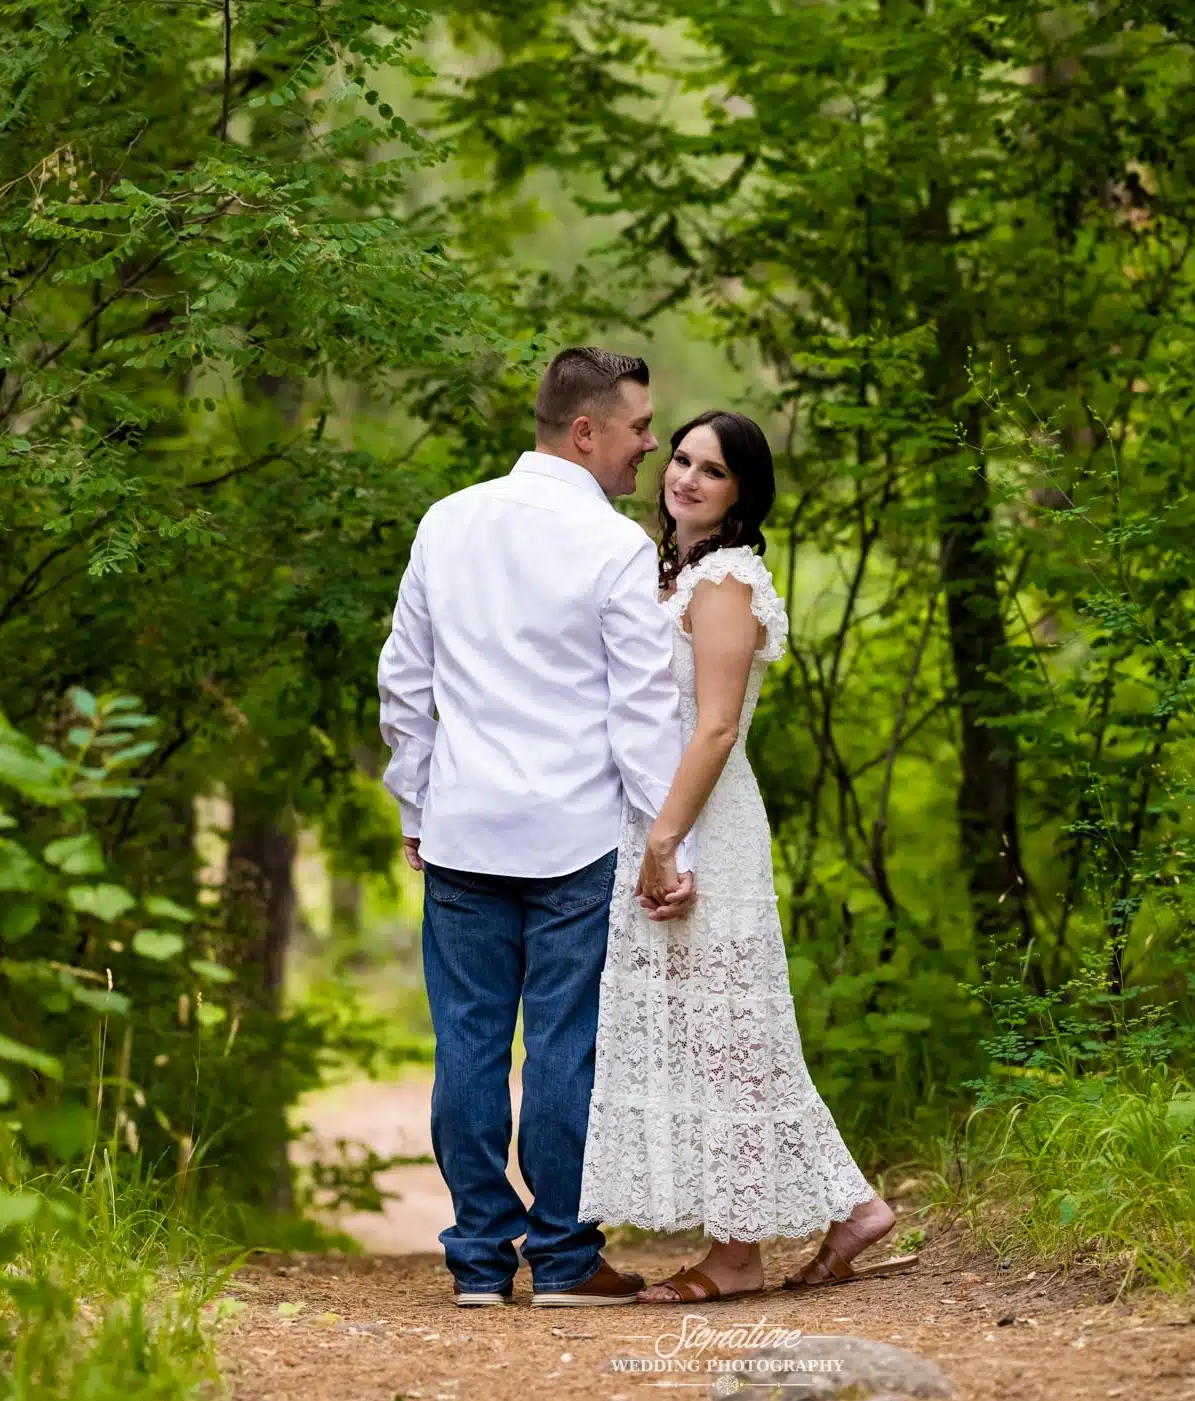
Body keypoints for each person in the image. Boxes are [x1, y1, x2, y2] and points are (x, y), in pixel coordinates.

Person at [376, 347, 696, 1309]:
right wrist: (662, 839)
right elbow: (641, 712)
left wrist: (416, 803)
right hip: (574, 837)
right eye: (640, 428)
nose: (651, 446)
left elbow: (406, 681)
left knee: (467, 1042)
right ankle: (560, 1259)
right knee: (564, 1046)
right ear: (586, 431)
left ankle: (480, 1258)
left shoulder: (448, 520)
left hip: (466, 826)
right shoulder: (614, 547)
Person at [577, 410, 916, 1302]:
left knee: (729, 1030)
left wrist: (665, 837)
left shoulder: (725, 580)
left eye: (711, 470)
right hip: (664, 815)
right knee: (717, 1033)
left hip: (703, 822)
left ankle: (738, 1255)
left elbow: (718, 724)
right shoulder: (673, 569)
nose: (684, 477)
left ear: (742, 492)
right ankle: (849, 1206)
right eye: (680, 459)